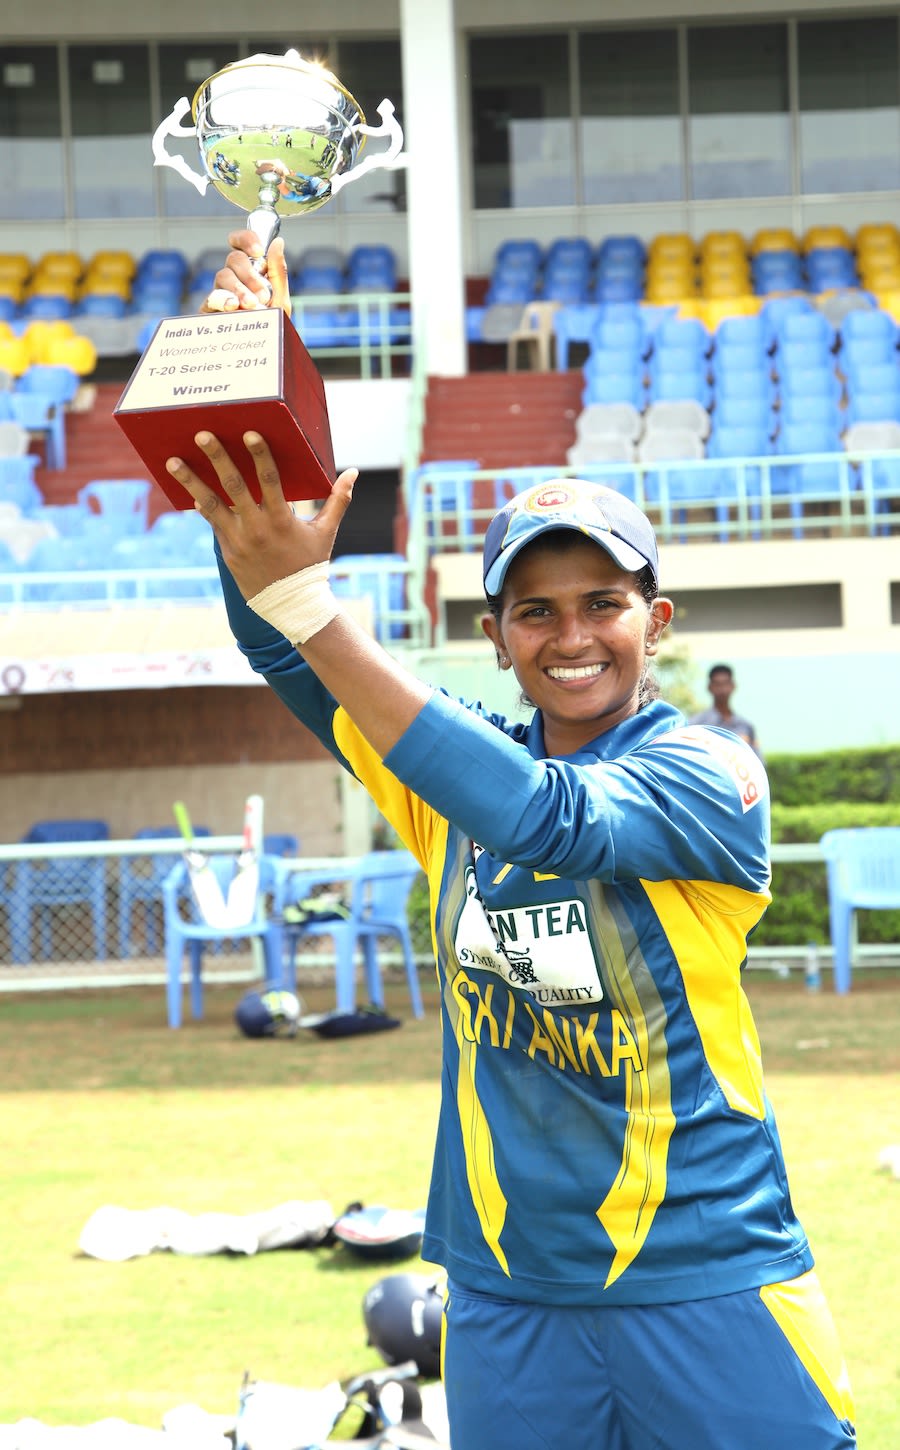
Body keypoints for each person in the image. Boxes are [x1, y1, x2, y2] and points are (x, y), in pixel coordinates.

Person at [166, 233, 857, 1450]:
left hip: (707, 1277)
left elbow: (548, 816)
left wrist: (314, 604)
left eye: (605, 602)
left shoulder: (709, 771)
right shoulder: (447, 777)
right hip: (501, 1292)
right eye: (535, 609)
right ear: (495, 635)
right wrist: (252, 404)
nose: (571, 633)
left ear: (660, 620)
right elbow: (282, 647)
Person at [690, 662, 762, 757]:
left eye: (726, 684)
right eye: (717, 684)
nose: (722, 690)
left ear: (733, 686)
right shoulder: (697, 724)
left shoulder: (746, 726)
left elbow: (757, 761)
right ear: (709, 687)